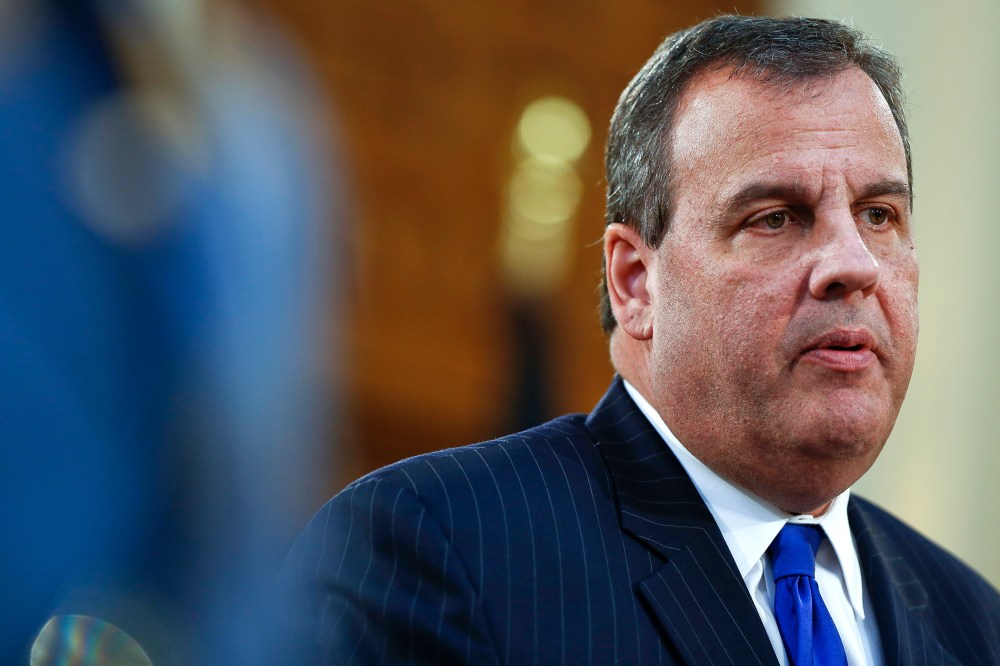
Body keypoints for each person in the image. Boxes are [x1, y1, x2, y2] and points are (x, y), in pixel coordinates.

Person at [283, 15, 1000, 665]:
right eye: (776, 217)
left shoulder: (976, 625)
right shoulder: (440, 548)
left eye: (879, 214)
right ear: (635, 283)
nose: (854, 263)